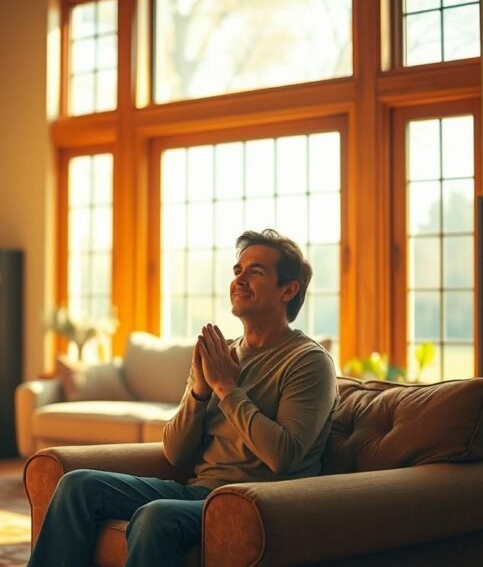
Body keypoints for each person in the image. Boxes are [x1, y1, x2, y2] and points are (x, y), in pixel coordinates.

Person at [28, 229, 339, 566]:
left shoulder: (308, 361)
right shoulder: (219, 355)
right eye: (238, 270)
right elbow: (175, 452)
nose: (240, 279)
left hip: (258, 502)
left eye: (256, 271)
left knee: (155, 516)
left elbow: (285, 456)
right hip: (198, 492)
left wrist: (226, 390)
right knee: (77, 485)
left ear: (288, 290)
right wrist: (200, 392)